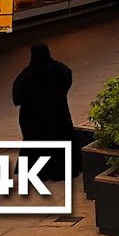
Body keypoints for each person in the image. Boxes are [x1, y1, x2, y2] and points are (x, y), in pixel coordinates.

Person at [11, 44, 76, 181]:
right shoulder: (59, 69)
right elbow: (67, 80)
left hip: (34, 118)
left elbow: (17, 97)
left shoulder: (27, 74)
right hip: (57, 113)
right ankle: (60, 171)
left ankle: (38, 172)